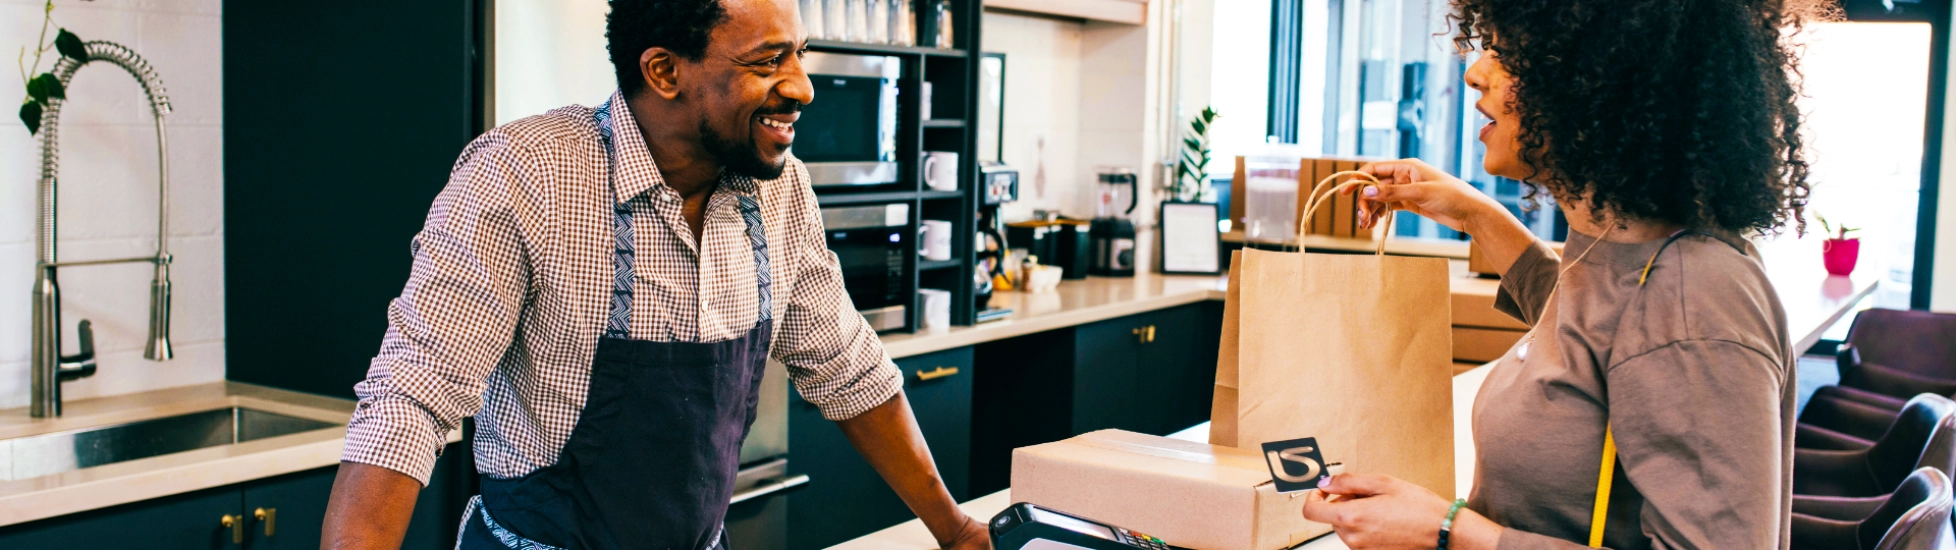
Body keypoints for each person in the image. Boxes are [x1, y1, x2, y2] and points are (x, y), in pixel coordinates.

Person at [318, 0, 991, 548]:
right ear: (665, 71)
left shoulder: (781, 191)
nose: (802, 87)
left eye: (800, 55)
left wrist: (954, 530)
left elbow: (849, 370)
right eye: (768, 61)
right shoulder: (529, 174)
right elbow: (410, 400)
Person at [1300, 0, 1816, 548]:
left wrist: (1449, 531)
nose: (1476, 72)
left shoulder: (1698, 301)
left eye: (1509, 53)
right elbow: (1594, 333)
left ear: (1600, 79)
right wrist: (1473, 214)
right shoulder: (1626, 254)